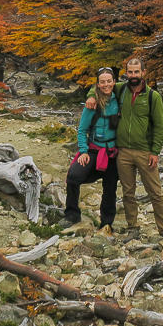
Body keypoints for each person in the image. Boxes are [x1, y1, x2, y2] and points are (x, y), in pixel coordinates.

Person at [88, 57, 163, 237]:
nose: (133, 75)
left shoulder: (153, 97)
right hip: (123, 151)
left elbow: (159, 126)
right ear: (125, 73)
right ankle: (132, 227)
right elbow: (99, 86)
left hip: (144, 152)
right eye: (130, 72)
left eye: (136, 71)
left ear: (143, 72)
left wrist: (155, 152)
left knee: (155, 193)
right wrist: (91, 96)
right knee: (128, 193)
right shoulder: (120, 89)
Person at [62, 67, 120, 229]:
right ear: (98, 84)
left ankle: (106, 223)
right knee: (73, 177)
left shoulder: (120, 101)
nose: (106, 84)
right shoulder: (92, 105)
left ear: (114, 82)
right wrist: (83, 151)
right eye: (103, 82)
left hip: (113, 153)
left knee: (110, 188)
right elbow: (82, 130)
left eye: (109, 81)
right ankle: (72, 215)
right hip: (94, 149)